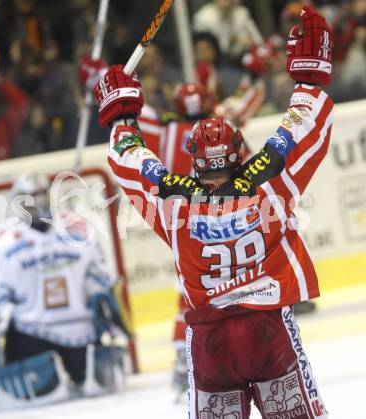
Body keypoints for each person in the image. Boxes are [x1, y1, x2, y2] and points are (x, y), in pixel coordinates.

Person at [93, 6, 332, 418]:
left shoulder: (174, 201)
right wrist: (308, 78)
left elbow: (129, 160)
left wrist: (121, 115)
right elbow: (302, 128)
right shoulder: (268, 183)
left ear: (194, 159)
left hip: (209, 342)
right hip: (267, 330)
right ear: (238, 151)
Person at [0, 172, 128, 411]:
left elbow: (101, 280)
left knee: (100, 388)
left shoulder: (78, 227)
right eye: (30, 196)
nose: (37, 201)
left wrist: (108, 311)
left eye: (41, 194)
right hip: (31, 336)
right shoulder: (3, 238)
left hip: (80, 333)